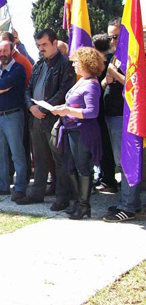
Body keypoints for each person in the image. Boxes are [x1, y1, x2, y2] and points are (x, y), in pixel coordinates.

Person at [17, 29, 76, 209]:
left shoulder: (66, 64)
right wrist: (31, 107)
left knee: (59, 160)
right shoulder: (39, 65)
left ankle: (62, 198)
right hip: (36, 118)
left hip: (54, 119)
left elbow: (64, 91)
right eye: (38, 45)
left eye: (44, 44)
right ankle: (36, 194)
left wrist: (43, 108)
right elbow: (28, 89)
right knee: (40, 158)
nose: (41, 48)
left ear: (55, 43)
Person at [51, 47, 104, 219]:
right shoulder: (82, 81)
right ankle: (79, 202)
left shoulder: (92, 85)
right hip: (72, 130)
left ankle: (83, 205)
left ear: (86, 63)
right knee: (70, 167)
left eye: (76, 62)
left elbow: (92, 112)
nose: (73, 64)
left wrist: (67, 110)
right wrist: (63, 109)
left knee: (83, 168)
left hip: (83, 131)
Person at [102, 18, 142, 222]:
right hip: (112, 116)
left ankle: (129, 205)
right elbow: (106, 82)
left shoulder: (135, 55)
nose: (112, 40)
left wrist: (114, 74)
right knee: (121, 164)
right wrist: (106, 79)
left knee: (127, 163)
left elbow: (136, 86)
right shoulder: (115, 56)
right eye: (110, 37)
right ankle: (128, 203)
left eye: (116, 36)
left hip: (125, 118)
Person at [0, 41, 28, 198]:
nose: (2, 54)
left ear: (12, 51)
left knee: (17, 153)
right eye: (0, 51)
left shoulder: (18, 69)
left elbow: (5, 83)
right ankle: (2, 185)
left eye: (5, 50)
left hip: (13, 116)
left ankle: (21, 187)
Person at [92, 33, 117, 195]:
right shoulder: (108, 61)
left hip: (108, 112)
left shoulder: (109, 62)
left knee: (107, 149)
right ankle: (105, 177)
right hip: (104, 111)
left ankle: (108, 180)